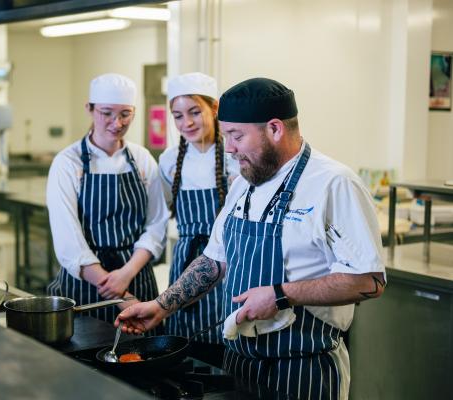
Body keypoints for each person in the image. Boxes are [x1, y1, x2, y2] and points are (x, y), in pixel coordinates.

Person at [116, 77, 386, 400]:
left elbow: (369, 280)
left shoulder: (334, 184)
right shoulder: (244, 183)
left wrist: (281, 295)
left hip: (303, 369)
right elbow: (214, 260)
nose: (228, 147)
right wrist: (161, 306)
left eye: (236, 136)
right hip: (240, 365)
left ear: (275, 129)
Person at [46, 73, 169, 324]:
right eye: (106, 113)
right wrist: (120, 294)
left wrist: (127, 273)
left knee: (142, 359)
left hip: (137, 280)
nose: (117, 122)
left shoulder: (142, 159)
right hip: (87, 286)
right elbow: (69, 243)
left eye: (125, 114)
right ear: (89, 109)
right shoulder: (67, 163)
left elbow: (157, 224)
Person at [158, 72, 237, 348]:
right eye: (178, 116)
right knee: (183, 341)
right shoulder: (169, 161)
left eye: (194, 112)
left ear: (214, 108)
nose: (186, 122)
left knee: (223, 338)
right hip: (185, 261)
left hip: (227, 260)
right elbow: (168, 204)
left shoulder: (236, 155)